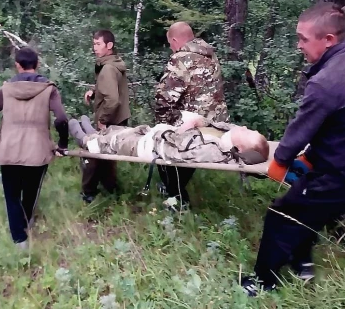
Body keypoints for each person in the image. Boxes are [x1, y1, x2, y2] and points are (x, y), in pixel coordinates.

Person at [240, 3, 345, 296]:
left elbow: (300, 131)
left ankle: (263, 284)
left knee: (283, 215)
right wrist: (309, 161)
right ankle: (302, 265)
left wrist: (280, 161)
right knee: (308, 206)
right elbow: (344, 127)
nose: (299, 45)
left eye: (303, 38)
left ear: (328, 39)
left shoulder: (327, 81)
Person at [0, 47, 69, 249]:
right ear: (37, 65)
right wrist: (63, 144)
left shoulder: (7, 89)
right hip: (38, 150)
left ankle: (19, 241)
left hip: (8, 149)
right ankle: (26, 223)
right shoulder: (49, 89)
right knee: (30, 192)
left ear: (18, 66)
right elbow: (62, 119)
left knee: (12, 195)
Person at [154, 22, 229, 210]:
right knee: (187, 155)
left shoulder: (181, 58)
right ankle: (174, 190)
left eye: (170, 44)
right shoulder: (211, 54)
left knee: (161, 145)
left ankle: (176, 197)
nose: (171, 49)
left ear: (174, 40)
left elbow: (164, 98)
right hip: (217, 124)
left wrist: (163, 125)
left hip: (194, 125)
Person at [68, 112, 269, 165]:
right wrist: (200, 121)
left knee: (116, 141)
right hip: (157, 134)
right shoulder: (228, 134)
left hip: (154, 145)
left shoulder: (215, 151)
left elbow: (180, 151)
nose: (243, 127)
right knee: (117, 130)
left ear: (239, 148)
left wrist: (185, 127)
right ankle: (96, 132)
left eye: (247, 132)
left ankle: (87, 140)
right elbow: (216, 125)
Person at [80, 30, 131, 203]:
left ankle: (89, 193)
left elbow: (113, 100)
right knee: (107, 158)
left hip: (111, 119)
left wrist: (103, 120)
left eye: (98, 44)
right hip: (119, 117)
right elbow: (109, 86)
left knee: (94, 153)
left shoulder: (108, 68)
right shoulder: (113, 63)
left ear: (109, 45)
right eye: (94, 44)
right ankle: (111, 189)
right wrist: (94, 91)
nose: (95, 48)